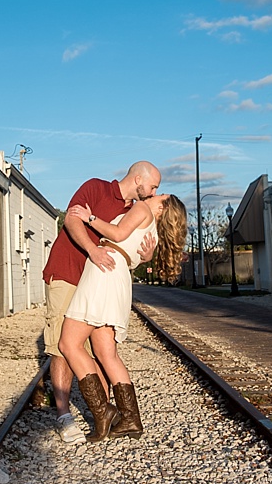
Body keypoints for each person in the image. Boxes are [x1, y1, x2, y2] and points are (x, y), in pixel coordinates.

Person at [40, 161, 161, 444]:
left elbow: (123, 249)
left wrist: (145, 257)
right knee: (62, 345)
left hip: (97, 282)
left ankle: (103, 413)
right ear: (139, 179)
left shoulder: (133, 211)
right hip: (69, 272)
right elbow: (71, 219)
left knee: (98, 349)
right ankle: (64, 416)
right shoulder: (96, 187)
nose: (155, 190)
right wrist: (92, 249)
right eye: (153, 185)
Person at [59, 193, 188, 441]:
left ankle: (103, 411)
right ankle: (130, 419)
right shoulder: (152, 230)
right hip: (119, 276)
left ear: (163, 205)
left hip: (104, 272)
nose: (152, 194)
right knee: (107, 354)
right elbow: (138, 254)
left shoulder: (142, 209)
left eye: (159, 193)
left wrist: (89, 217)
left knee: (69, 344)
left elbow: (117, 234)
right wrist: (148, 257)